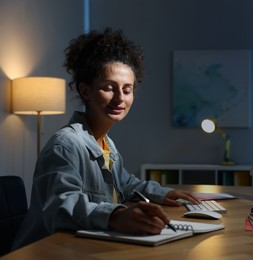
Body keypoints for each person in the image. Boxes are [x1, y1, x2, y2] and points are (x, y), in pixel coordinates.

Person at [12, 28, 200, 250]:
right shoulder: (65, 145)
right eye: (109, 88)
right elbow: (61, 205)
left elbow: (127, 184)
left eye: (127, 90)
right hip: (48, 253)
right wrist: (116, 216)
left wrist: (163, 192)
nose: (120, 98)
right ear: (85, 91)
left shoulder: (106, 143)